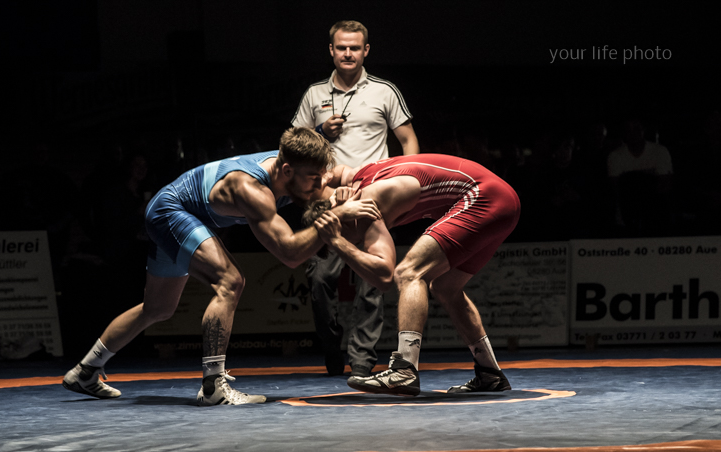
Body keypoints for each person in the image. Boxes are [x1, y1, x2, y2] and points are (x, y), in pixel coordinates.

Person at [62, 127, 380, 406]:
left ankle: (85, 371)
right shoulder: (252, 190)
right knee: (230, 282)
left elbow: (341, 173)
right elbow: (290, 254)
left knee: (157, 308)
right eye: (313, 178)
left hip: (175, 213)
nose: (320, 183)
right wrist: (336, 213)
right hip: (170, 212)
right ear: (286, 170)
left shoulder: (292, 169)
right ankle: (213, 385)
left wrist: (348, 188)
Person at [307, 153, 520, 396]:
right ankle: (490, 373)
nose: (352, 245)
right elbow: (335, 171)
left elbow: (384, 275)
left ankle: (404, 369)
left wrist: (337, 243)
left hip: (483, 197)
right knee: (445, 288)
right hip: (500, 199)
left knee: (409, 273)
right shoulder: (356, 178)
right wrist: (329, 184)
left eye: (345, 241)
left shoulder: (367, 203)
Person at [292, 20, 420, 378]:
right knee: (320, 278)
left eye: (354, 47)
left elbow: (408, 140)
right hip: (328, 200)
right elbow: (293, 144)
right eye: (341, 47)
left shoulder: (384, 91)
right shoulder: (314, 94)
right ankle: (332, 349)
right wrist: (320, 130)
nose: (347, 53)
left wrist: (405, 182)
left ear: (366, 51)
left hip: (373, 198)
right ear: (331, 51)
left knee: (371, 282)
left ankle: (362, 360)